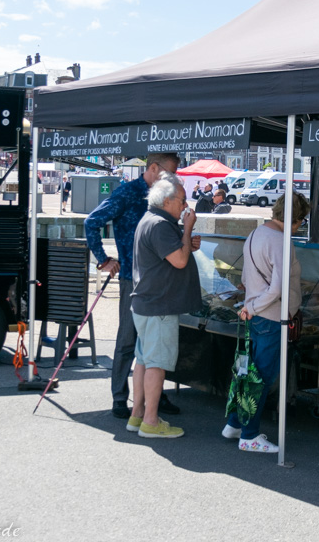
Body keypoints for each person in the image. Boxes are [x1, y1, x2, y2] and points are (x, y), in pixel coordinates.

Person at [85, 153, 183, 420]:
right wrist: (103, 259)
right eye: (170, 173)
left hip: (157, 279)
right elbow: (91, 221)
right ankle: (119, 397)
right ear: (153, 168)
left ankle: (154, 397)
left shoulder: (163, 197)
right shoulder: (128, 193)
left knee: (151, 345)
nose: (174, 178)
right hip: (133, 278)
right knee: (128, 340)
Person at [222, 192, 311, 453]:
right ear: (295, 218)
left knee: (248, 374)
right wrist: (253, 306)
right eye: (301, 220)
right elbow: (277, 289)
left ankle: (235, 423)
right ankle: (249, 435)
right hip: (271, 317)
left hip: (257, 316)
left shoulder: (256, 234)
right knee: (262, 378)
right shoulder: (281, 241)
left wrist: (250, 305)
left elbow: (249, 279)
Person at [126, 173, 201, 438]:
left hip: (147, 303)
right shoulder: (160, 224)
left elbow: (173, 256)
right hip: (159, 306)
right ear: (167, 200)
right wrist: (188, 229)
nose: (185, 206)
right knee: (155, 364)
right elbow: (179, 261)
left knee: (144, 361)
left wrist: (185, 241)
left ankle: (137, 416)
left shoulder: (151, 220)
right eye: (182, 200)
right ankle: (151, 421)